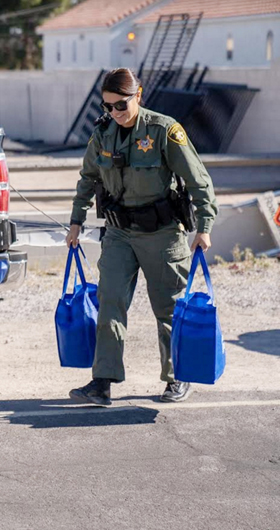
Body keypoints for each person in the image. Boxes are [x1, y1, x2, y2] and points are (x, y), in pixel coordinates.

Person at [66, 68, 218, 406]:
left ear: (138, 95)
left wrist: (204, 227)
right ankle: (102, 381)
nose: (114, 113)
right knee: (110, 303)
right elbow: (87, 179)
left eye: (120, 105)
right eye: (107, 107)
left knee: (168, 308)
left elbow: (198, 180)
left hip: (162, 235)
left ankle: (177, 376)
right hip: (119, 233)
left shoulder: (164, 130)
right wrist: (75, 222)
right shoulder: (103, 133)